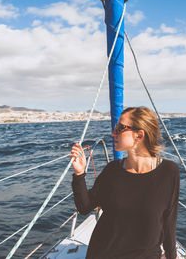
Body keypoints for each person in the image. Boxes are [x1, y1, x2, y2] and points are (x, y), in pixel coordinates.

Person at [71, 106, 180, 259]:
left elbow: (169, 222)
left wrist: (172, 256)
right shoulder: (112, 170)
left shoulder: (169, 171)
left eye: (120, 128)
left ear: (139, 135)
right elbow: (84, 207)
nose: (113, 133)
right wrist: (79, 173)